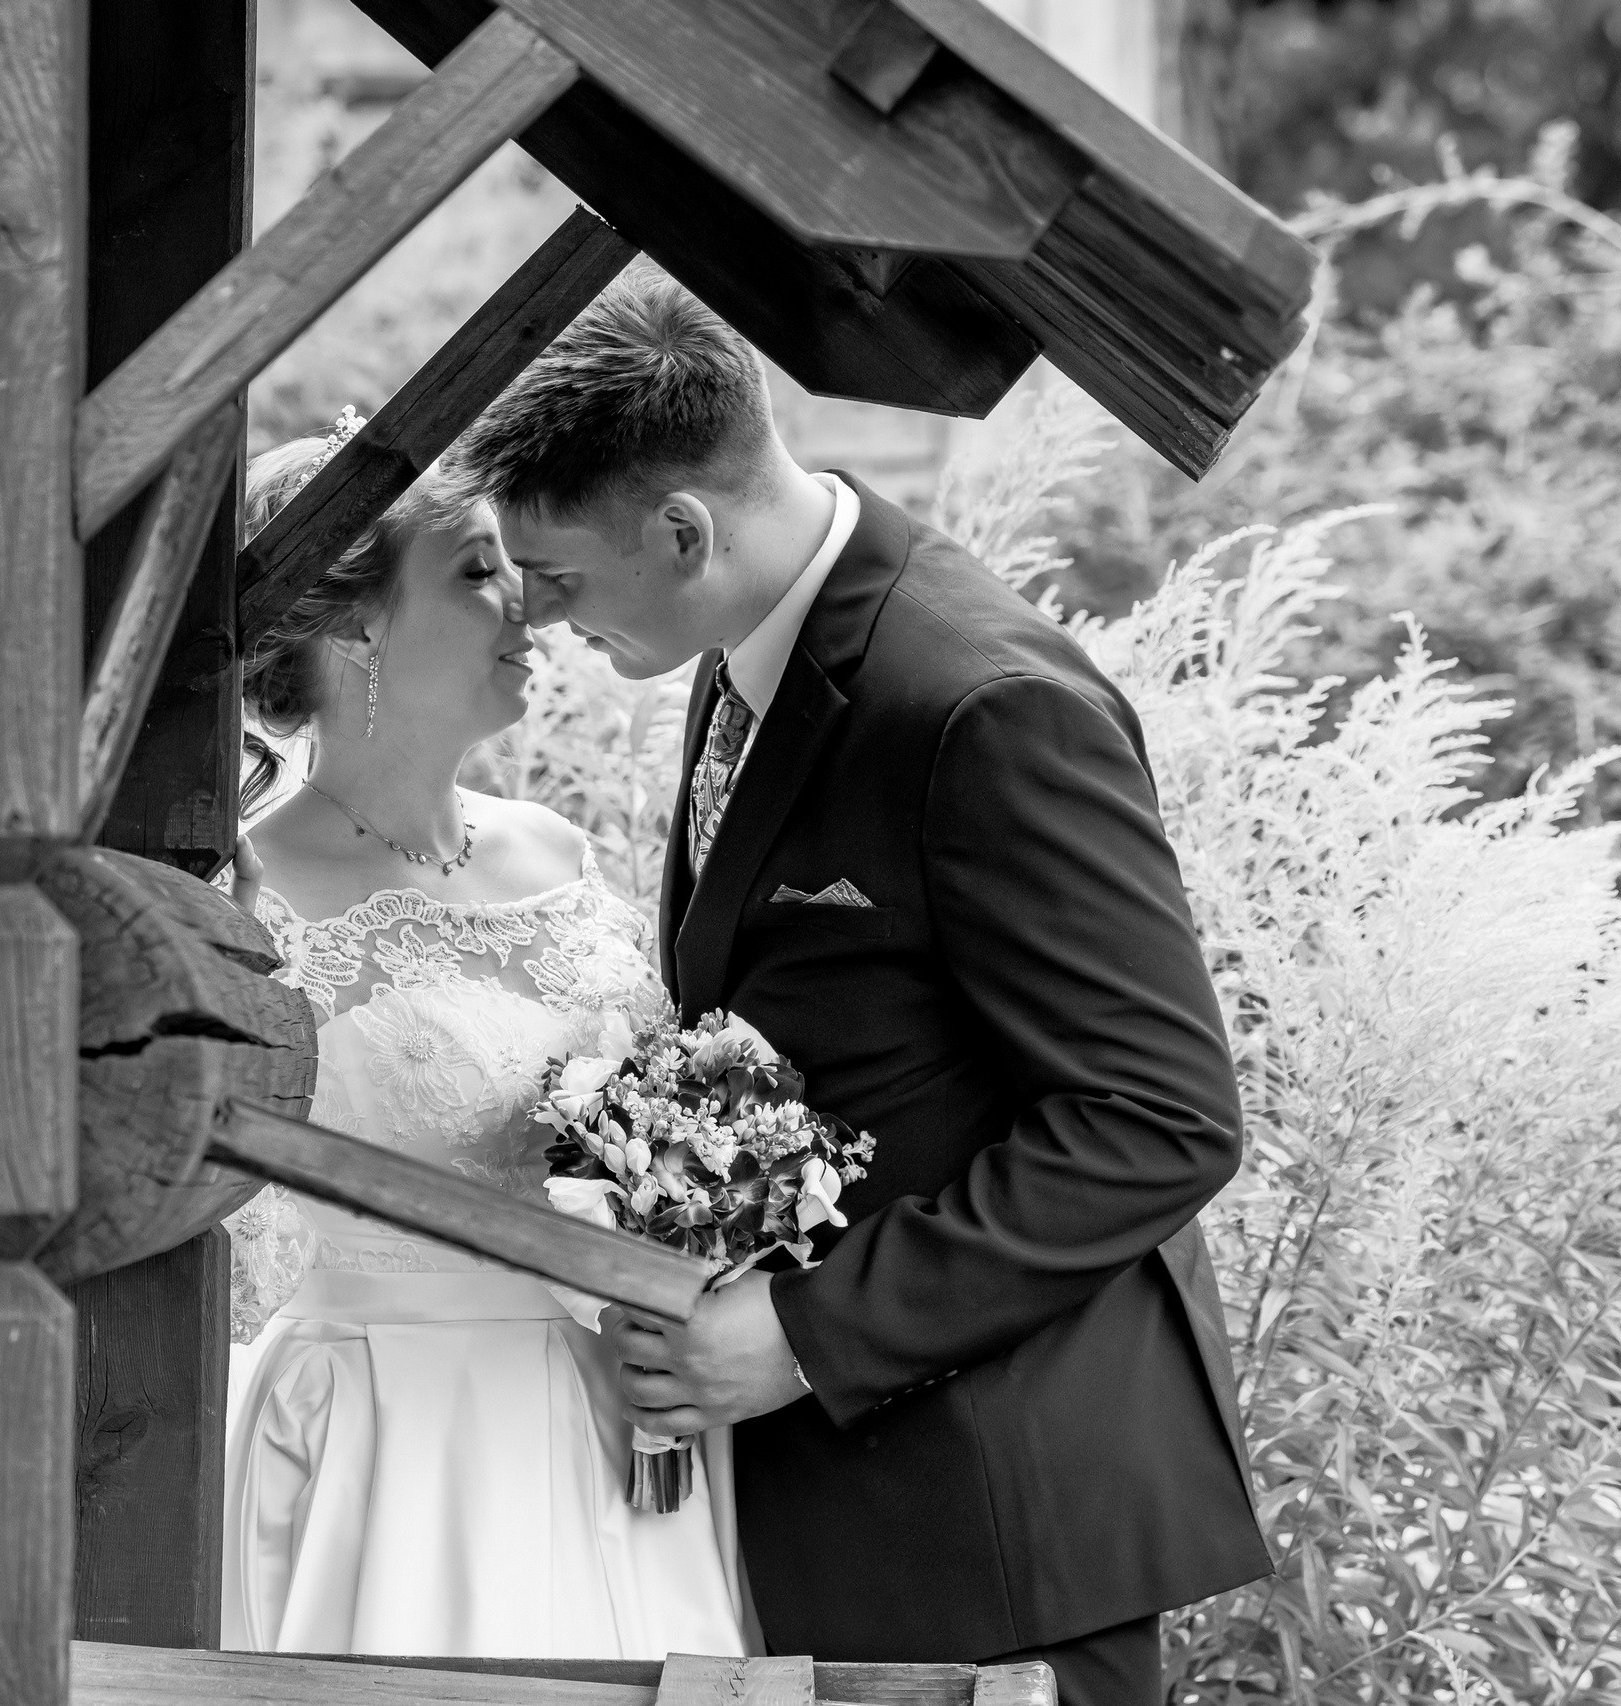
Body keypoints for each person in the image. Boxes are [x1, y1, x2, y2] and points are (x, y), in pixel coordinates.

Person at [450, 269, 1272, 1706]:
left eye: (559, 576)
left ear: (683, 528)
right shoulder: (739, 648)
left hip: (1001, 1524)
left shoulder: (981, 705)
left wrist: (802, 1331)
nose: (536, 609)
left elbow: (1160, 1118)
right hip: (851, 1508)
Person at [216, 420, 753, 1660]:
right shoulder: (253, 891)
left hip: (611, 1407)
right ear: (353, 627)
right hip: (392, 1429)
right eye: (473, 570)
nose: (526, 603)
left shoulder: (553, 851)